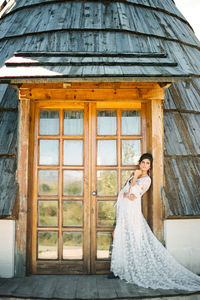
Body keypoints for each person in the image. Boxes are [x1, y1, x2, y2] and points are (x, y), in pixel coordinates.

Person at [109, 153, 200, 291]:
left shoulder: (146, 179)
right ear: (139, 163)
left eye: (147, 163)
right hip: (124, 213)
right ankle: (119, 270)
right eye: (143, 162)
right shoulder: (134, 177)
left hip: (133, 213)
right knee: (119, 237)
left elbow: (133, 194)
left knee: (134, 240)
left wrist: (135, 177)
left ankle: (136, 270)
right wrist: (129, 187)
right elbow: (124, 193)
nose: (144, 165)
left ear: (150, 166)